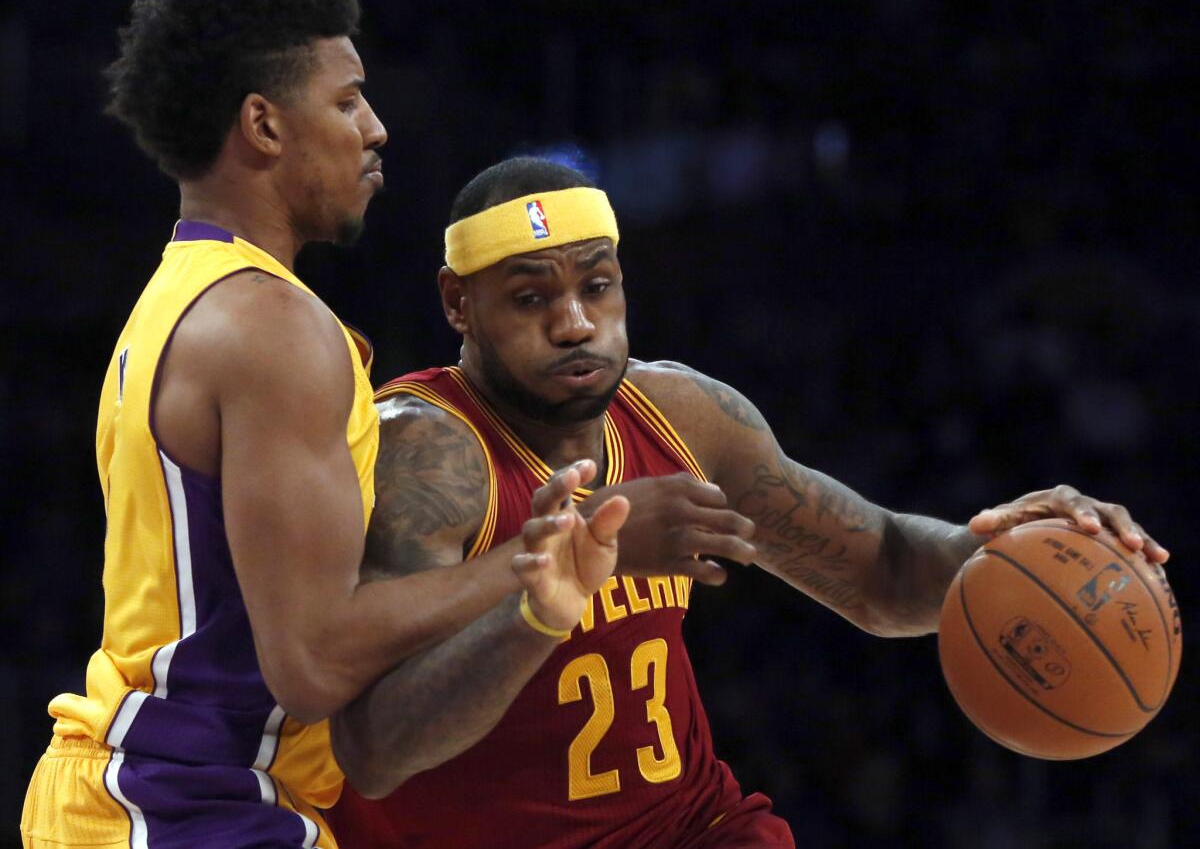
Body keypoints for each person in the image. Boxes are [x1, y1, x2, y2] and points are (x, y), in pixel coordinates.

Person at [325, 156, 1170, 848]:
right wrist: (547, 598)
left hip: (689, 829)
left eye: (599, 285)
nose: (577, 323)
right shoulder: (426, 455)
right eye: (531, 296)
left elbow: (878, 569)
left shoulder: (683, 413)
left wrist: (1002, 547)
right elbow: (375, 748)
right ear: (457, 304)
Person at [19, 0, 631, 847]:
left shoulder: (186, 291)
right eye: (347, 103)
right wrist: (523, 565)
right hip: (186, 800)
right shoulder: (272, 325)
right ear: (264, 125)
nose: (375, 129)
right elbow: (310, 663)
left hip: (156, 791)